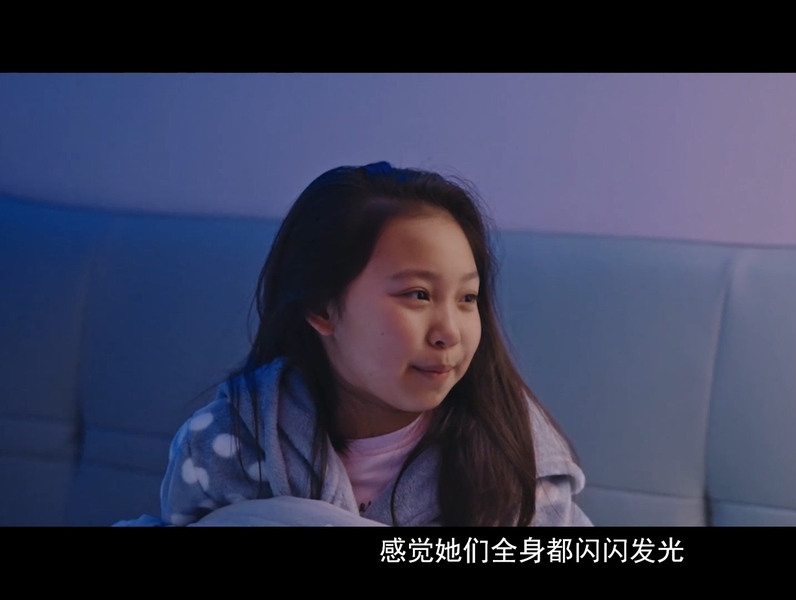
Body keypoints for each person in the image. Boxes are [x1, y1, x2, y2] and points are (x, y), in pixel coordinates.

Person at [156, 162, 591, 527]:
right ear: (322, 308)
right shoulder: (227, 443)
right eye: (418, 295)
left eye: (467, 298)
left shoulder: (512, 454)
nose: (449, 332)